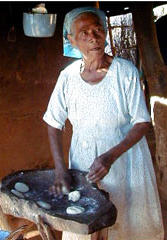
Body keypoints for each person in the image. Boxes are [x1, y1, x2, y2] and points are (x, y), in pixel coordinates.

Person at [43, 6, 164, 240]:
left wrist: (110, 156)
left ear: (106, 33)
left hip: (124, 160)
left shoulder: (125, 72)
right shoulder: (67, 78)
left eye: (98, 29)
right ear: (71, 39)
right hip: (83, 161)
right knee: (86, 225)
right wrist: (60, 169)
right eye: (84, 32)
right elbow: (53, 122)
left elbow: (141, 123)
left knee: (125, 222)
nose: (93, 37)